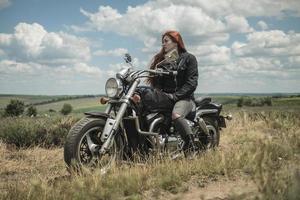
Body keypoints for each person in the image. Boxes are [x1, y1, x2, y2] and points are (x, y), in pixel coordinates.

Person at [132, 30, 198, 152]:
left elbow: (192, 83)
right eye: (162, 42)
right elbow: (157, 86)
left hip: (184, 99)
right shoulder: (163, 62)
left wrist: (175, 96)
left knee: (176, 115)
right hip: (167, 98)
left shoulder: (189, 58)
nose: (163, 44)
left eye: (166, 41)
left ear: (176, 42)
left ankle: (191, 147)